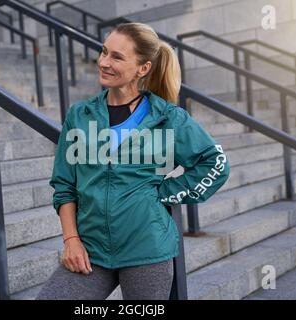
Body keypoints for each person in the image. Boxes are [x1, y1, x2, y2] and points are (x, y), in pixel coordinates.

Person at [36, 22, 230, 300]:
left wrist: (163, 193)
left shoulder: (168, 118)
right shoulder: (80, 115)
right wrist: (71, 240)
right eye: (104, 52)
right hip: (91, 249)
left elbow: (216, 164)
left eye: (117, 57)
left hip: (147, 249)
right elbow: (65, 184)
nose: (104, 62)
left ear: (143, 68)